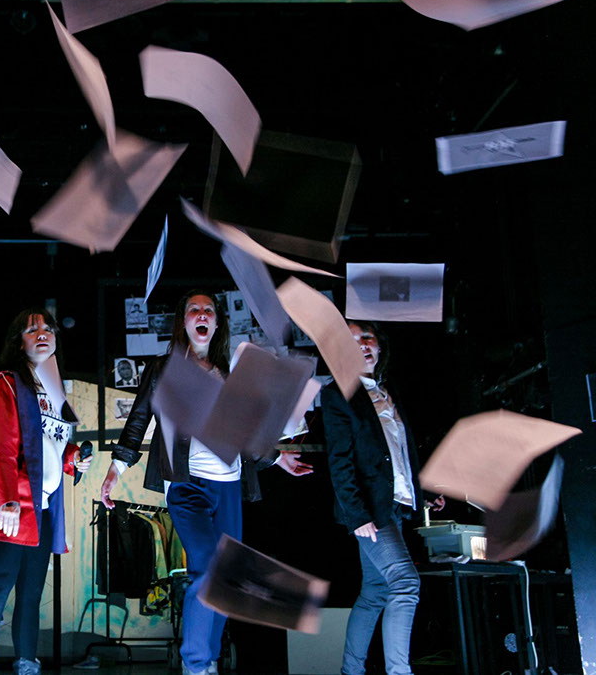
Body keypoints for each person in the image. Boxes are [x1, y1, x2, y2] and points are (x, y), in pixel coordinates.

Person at [100, 289, 313, 675]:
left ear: (216, 322)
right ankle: (195, 663)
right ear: (183, 321)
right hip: (186, 486)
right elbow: (139, 418)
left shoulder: (229, 373)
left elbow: (247, 432)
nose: (202, 314)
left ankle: (209, 661)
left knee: (225, 580)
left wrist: (278, 457)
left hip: (228, 486)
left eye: (208, 310)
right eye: (194, 309)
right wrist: (118, 466)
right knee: (206, 567)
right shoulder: (164, 368)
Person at [0, 308, 93, 675]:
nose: (42, 333)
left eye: (48, 328)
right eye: (31, 329)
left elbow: (49, 447)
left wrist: (72, 459)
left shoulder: (55, 390)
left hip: (43, 508)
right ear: (17, 342)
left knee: (31, 593)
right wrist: (8, 499)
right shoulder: (6, 385)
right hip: (12, 504)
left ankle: (27, 663)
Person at [322, 320, 444, 675]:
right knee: (405, 583)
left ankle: (351, 671)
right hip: (371, 512)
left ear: (379, 345)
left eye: (367, 337)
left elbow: (400, 453)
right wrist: (356, 514)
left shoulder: (389, 391)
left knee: (375, 590)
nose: (362, 344)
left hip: (396, 505)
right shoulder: (337, 394)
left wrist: (423, 492)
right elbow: (340, 460)